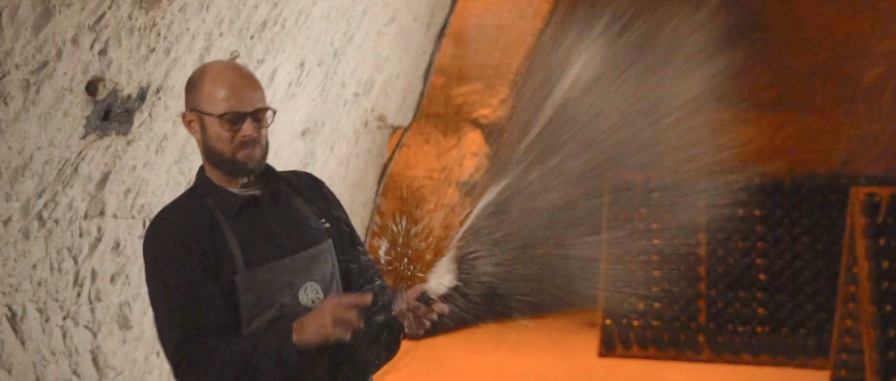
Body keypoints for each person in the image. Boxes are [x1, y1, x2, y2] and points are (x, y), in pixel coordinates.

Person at [142, 60, 449, 381]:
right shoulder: (177, 233)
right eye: (232, 120)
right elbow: (198, 368)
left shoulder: (309, 193)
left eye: (259, 117)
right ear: (192, 124)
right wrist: (297, 334)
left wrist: (397, 311)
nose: (250, 130)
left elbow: (368, 294)